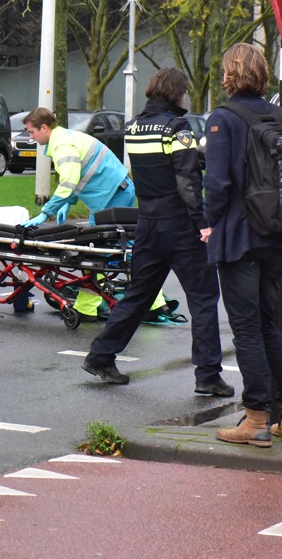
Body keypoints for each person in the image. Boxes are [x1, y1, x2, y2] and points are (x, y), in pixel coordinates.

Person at [82, 68, 232, 396]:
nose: (186, 97)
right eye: (185, 92)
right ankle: (207, 375)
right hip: (179, 224)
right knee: (204, 297)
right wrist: (202, 223)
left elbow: (157, 169)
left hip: (147, 223)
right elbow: (186, 181)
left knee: (139, 294)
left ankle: (101, 355)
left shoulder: (134, 127)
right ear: (175, 93)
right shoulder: (177, 129)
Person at [205, 43, 282, 447]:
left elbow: (216, 184)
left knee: (246, 327)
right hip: (279, 234)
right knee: (267, 322)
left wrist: (211, 222)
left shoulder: (223, 119)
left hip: (240, 235)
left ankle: (256, 418)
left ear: (230, 75)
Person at [19, 108, 150, 321]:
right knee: (116, 251)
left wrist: (46, 212)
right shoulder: (65, 138)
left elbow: (69, 181)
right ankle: (150, 302)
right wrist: (68, 203)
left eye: (32, 131)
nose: (30, 136)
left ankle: (90, 306)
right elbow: (77, 176)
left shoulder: (62, 146)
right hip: (115, 192)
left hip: (114, 195)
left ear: (44, 128)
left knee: (95, 253)